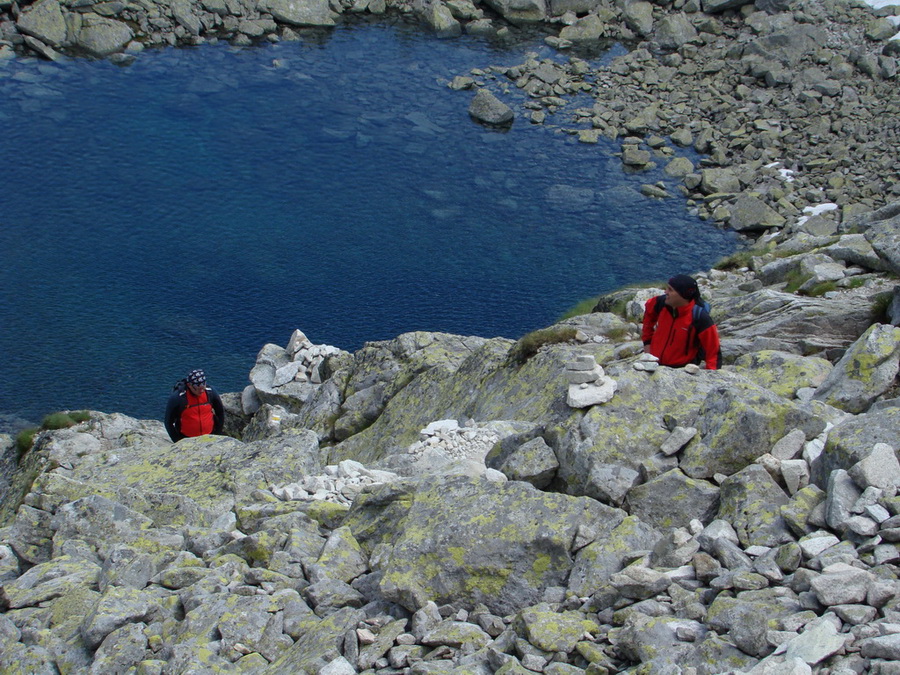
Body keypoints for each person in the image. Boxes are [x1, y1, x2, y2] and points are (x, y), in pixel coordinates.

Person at [641, 274, 721, 370]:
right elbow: (649, 313)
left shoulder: (700, 317)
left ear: (683, 295)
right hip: (654, 365)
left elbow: (713, 353)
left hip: (682, 370)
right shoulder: (661, 303)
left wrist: (710, 378)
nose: (665, 292)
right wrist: (647, 342)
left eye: (670, 290)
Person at [164, 369, 225, 442]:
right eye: (198, 389)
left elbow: (220, 412)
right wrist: (177, 441)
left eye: (203, 388)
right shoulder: (178, 398)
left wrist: (217, 433)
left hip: (209, 436)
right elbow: (168, 421)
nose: (201, 391)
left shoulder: (210, 393)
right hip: (186, 439)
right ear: (189, 385)